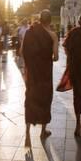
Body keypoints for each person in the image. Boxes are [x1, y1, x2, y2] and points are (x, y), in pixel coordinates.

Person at [22, 9, 59, 148]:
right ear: (50, 21)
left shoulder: (29, 32)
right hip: (45, 74)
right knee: (45, 99)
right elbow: (56, 57)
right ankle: (43, 131)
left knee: (30, 100)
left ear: (40, 19)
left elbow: (22, 52)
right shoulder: (53, 36)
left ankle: (27, 134)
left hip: (32, 73)